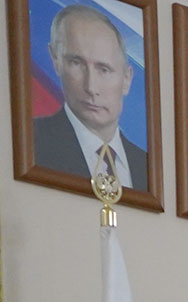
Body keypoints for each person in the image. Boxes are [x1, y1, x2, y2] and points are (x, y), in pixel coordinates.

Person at [31, 4, 149, 189]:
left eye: (104, 69)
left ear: (127, 79)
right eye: (76, 63)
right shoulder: (31, 142)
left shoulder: (148, 168)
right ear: (56, 61)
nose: (91, 87)